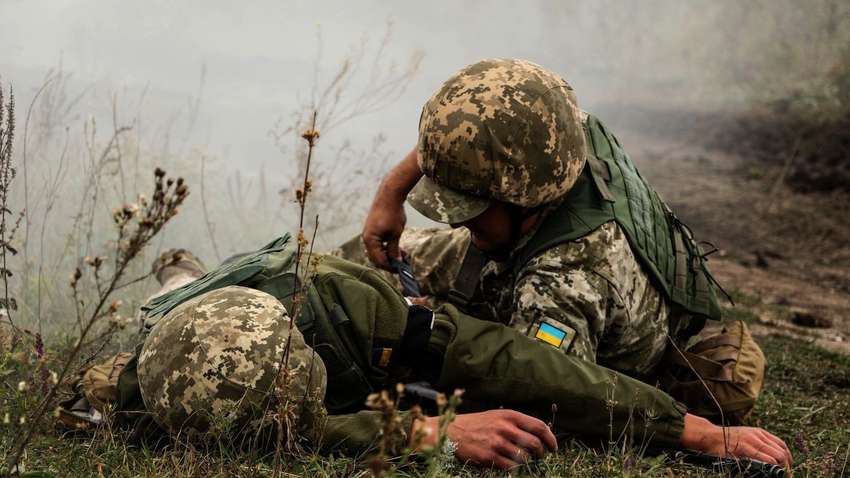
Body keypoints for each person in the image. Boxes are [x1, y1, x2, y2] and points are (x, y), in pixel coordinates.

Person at [102, 237, 790, 469]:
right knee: (180, 287)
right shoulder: (140, 394)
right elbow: (295, 429)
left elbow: (513, 361)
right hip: (190, 327)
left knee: (195, 275)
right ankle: (179, 269)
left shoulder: (353, 308)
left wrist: (690, 429)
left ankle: (184, 264)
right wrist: (424, 432)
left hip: (310, 297)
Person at [342, 58, 763, 426]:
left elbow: (538, 398)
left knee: (383, 321)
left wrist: (429, 333)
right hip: (523, 243)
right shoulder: (555, 134)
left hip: (576, 320)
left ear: (522, 195)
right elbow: (471, 131)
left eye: (470, 208)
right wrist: (391, 194)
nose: (459, 221)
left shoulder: (563, 283)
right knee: (357, 266)